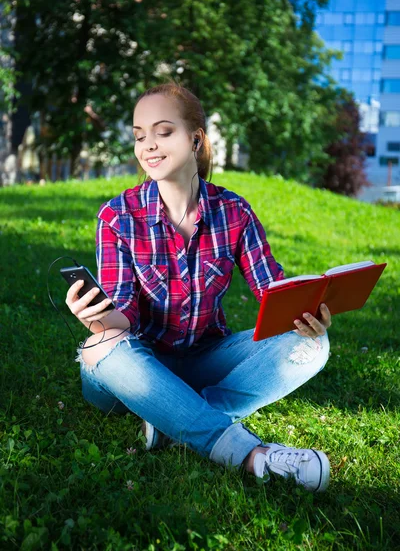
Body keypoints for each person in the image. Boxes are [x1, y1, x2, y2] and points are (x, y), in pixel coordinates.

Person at [66, 82, 332, 492]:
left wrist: (306, 315)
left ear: (195, 139)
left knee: (314, 347)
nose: (148, 146)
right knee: (101, 347)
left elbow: (272, 293)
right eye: (139, 136)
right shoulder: (117, 216)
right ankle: (251, 455)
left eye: (163, 131)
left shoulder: (234, 212)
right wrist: (98, 317)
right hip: (135, 369)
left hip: (204, 356)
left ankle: (174, 422)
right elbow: (124, 314)